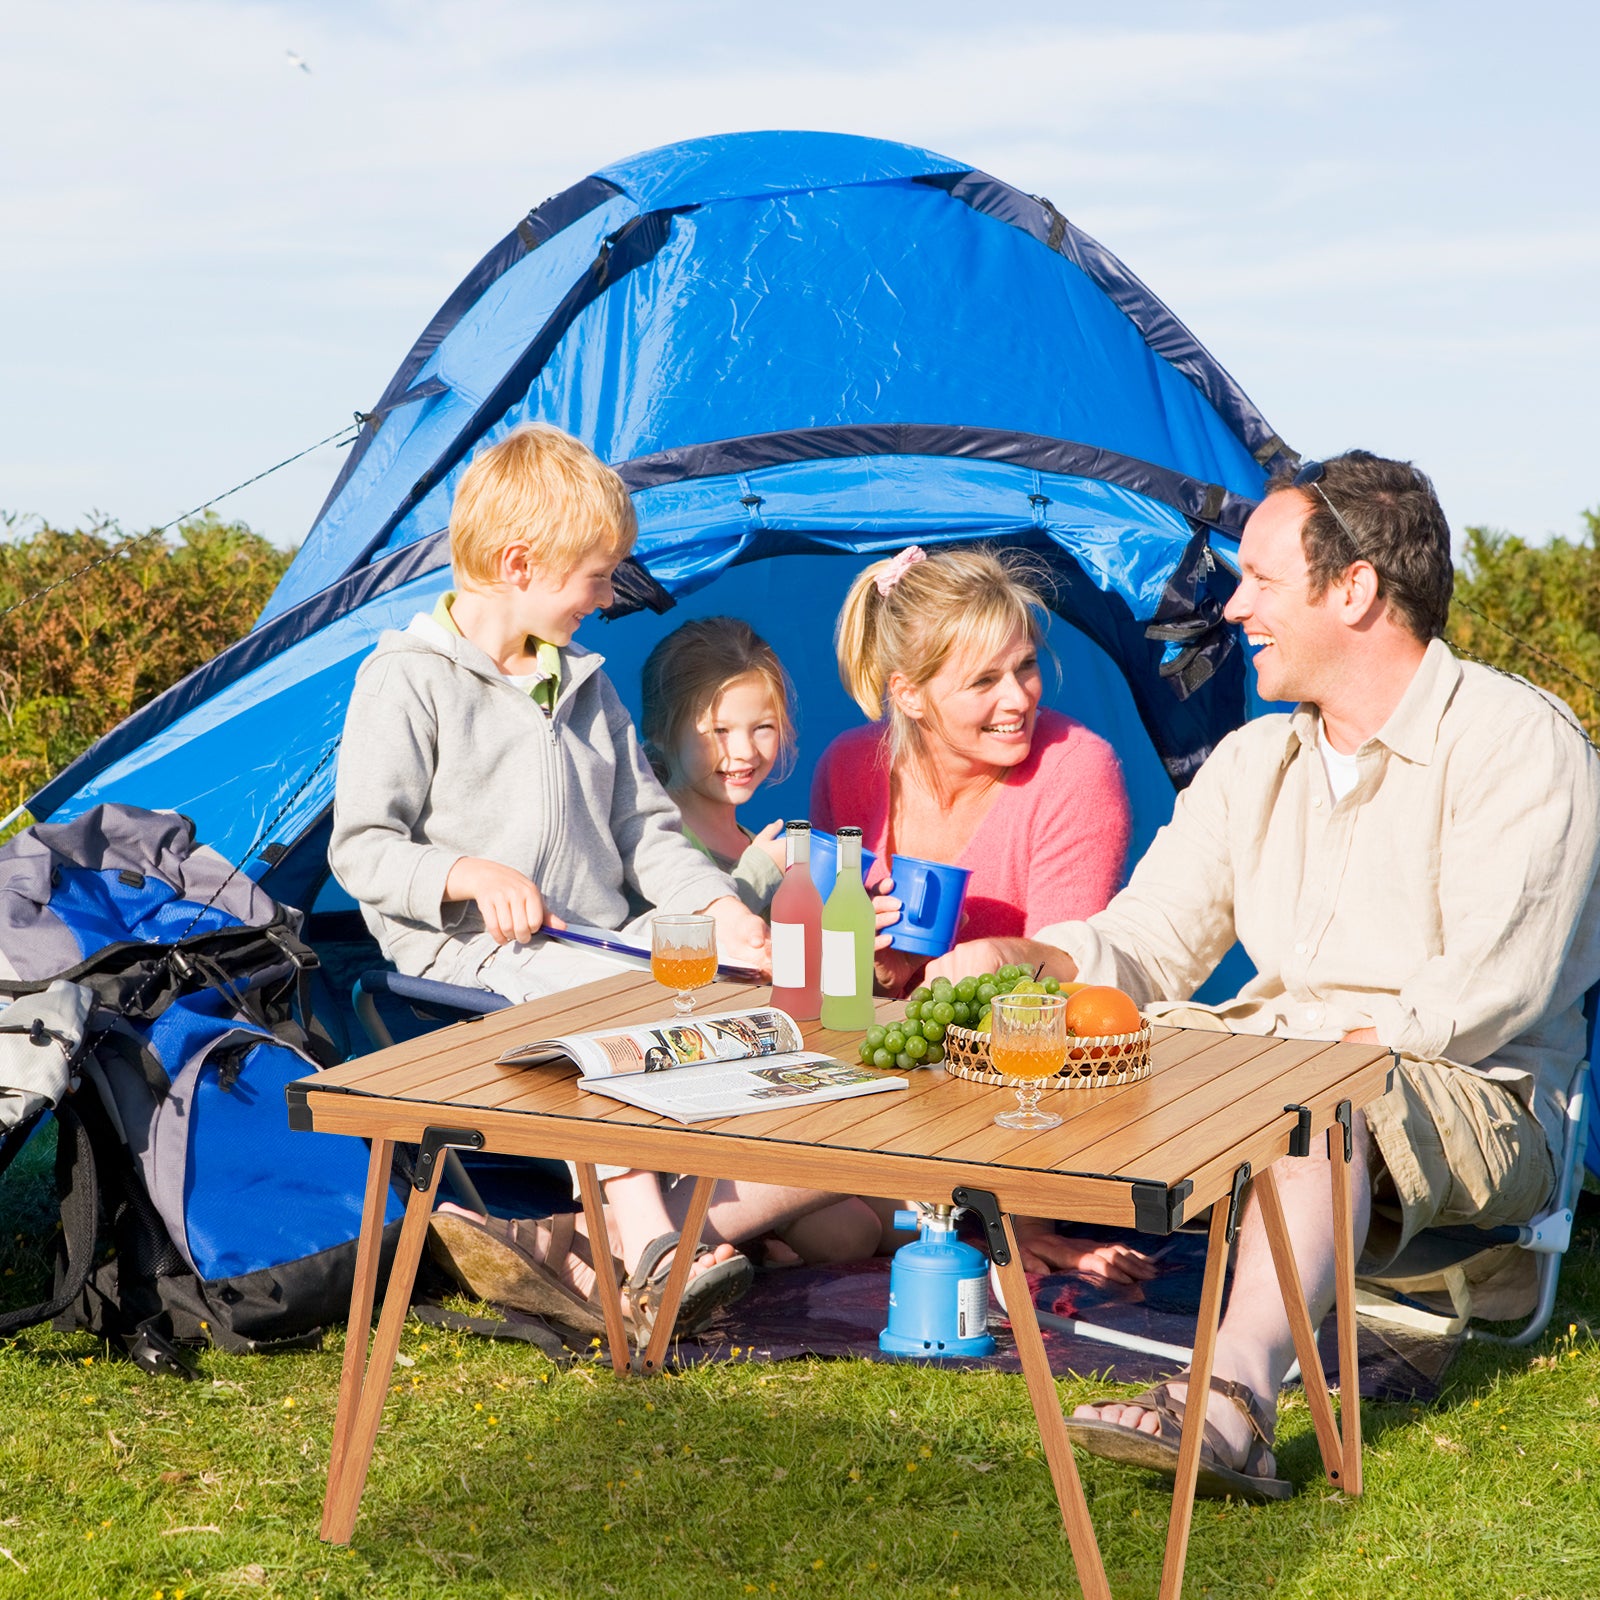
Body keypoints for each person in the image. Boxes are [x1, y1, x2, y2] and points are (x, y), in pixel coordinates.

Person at [934, 450, 1600, 1499]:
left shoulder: (1519, 744)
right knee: (1046, 1038)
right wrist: (1036, 957)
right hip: (1280, 1068)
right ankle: (883, 1250)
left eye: (1258, 578)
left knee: (1305, 1098)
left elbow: (1487, 991)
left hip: (1477, 1097)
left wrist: (1270, 1069)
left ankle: (1233, 1399)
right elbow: (1149, 936)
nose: (1233, 604)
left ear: (1355, 588)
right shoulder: (1253, 761)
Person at [327, 422, 874, 1340]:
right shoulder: (406, 683)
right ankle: (653, 1241)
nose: (610, 593)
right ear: (520, 563)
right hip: (466, 958)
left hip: (588, 942)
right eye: (597, 573)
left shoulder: (587, 686)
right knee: (623, 1004)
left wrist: (711, 906)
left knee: (758, 1006)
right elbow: (363, 849)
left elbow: (646, 831)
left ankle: (580, 1244)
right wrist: (462, 871)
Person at [813, 543, 1148, 1286]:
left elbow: (1068, 993)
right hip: (875, 1082)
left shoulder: (1075, 768)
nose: (1018, 699)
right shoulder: (848, 767)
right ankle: (654, 1245)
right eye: (984, 681)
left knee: (822, 1206)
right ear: (909, 693)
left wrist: (1026, 1220)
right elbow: (834, 990)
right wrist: (860, 954)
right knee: (827, 1217)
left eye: (1025, 667)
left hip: (1008, 1112)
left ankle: (638, 1247)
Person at [641, 617, 794, 916]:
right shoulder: (653, 845)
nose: (745, 751)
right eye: (719, 731)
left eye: (763, 727)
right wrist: (759, 875)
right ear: (660, 731)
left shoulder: (758, 845)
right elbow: (671, 942)